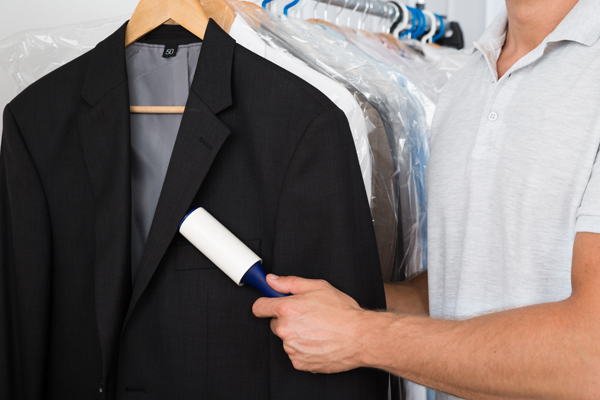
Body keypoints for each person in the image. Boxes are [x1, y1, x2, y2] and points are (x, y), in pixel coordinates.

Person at [252, 0, 600, 398]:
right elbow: (461, 292)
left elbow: (590, 354)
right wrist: (341, 302)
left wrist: (359, 335)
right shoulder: (466, 80)